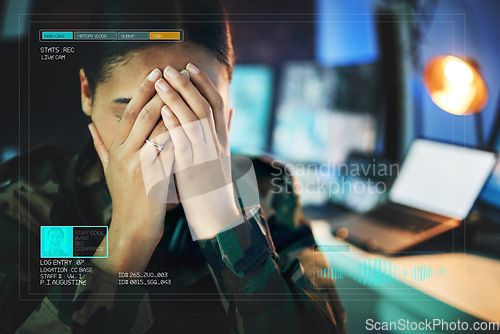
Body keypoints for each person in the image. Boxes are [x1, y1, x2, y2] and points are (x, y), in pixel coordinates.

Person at [0, 0, 346, 332]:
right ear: (87, 93)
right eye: (135, 117)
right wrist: (126, 242)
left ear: (226, 108)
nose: (165, 145)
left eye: (194, 114)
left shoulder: (268, 190)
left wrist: (224, 223)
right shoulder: (23, 199)